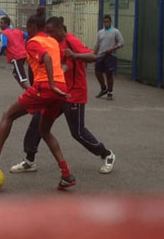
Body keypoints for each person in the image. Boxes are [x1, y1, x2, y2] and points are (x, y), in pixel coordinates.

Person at [0, 7, 76, 190]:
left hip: (46, 87)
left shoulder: (33, 42)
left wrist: (51, 84)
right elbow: (60, 60)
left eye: (27, 28)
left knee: (8, 115)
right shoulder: (52, 41)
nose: (26, 32)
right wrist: (57, 84)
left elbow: (45, 59)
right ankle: (66, 174)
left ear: (33, 26)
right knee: (44, 131)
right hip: (60, 88)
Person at [10, 17, 116, 175]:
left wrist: (74, 55)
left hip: (74, 93)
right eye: (47, 31)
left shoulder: (71, 41)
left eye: (51, 31)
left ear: (61, 28)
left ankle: (106, 154)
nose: (49, 34)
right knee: (37, 121)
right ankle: (29, 160)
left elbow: (93, 56)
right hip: (56, 92)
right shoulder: (52, 43)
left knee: (77, 132)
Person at [94, 15, 124, 100]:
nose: (106, 23)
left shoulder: (115, 31)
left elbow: (121, 43)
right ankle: (103, 88)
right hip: (101, 55)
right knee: (97, 72)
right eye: (104, 22)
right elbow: (97, 44)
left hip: (110, 56)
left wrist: (112, 48)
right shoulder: (100, 32)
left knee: (109, 74)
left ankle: (110, 92)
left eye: (107, 22)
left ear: (110, 22)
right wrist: (93, 53)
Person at [0, 16, 30, 90]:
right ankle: (27, 91)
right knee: (15, 73)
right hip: (23, 55)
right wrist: (25, 44)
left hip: (16, 56)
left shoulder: (4, 33)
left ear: (6, 24)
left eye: (1, 23)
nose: (0, 25)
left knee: (21, 77)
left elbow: (4, 45)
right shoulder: (18, 31)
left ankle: (31, 93)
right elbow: (27, 36)